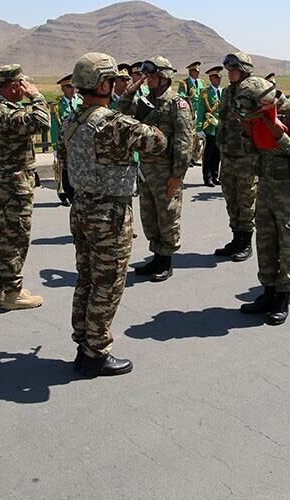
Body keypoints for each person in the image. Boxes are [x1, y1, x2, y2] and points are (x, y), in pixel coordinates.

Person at [62, 52, 167, 377]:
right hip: (110, 213)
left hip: (81, 209)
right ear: (104, 83)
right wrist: (141, 103)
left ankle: (83, 342)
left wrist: (126, 98)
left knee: (87, 279)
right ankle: (96, 352)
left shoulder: (72, 120)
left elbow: (107, 123)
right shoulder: (115, 124)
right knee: (108, 284)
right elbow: (158, 142)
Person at [235, 76, 290, 325]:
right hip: (266, 187)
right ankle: (267, 292)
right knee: (266, 242)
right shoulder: (256, 114)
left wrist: (278, 133)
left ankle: (282, 297)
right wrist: (248, 133)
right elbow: (254, 151)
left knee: (288, 244)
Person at [0, 64, 50, 310]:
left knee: (0, 235)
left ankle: (5, 287)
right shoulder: (10, 114)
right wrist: (37, 96)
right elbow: (42, 122)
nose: (24, 88)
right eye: (21, 84)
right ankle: (12, 294)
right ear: (13, 86)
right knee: (16, 237)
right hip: (14, 183)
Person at [118, 56, 193, 282]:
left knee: (167, 216)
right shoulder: (145, 101)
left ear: (164, 78)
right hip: (146, 169)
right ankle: (156, 256)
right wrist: (131, 90)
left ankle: (166, 261)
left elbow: (184, 141)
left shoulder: (177, 104)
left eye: (151, 76)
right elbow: (122, 112)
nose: (147, 79)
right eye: (146, 75)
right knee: (149, 216)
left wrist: (177, 176)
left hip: (166, 171)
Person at [214, 52, 258, 262]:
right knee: (231, 200)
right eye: (229, 70)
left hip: (246, 157)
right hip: (228, 155)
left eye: (233, 70)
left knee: (246, 201)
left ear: (244, 71)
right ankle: (236, 238)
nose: (230, 73)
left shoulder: (252, 92)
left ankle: (246, 242)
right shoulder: (227, 92)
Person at [51, 74, 82, 206]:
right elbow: (54, 128)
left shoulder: (81, 102)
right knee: (65, 170)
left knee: (79, 168)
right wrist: (55, 148)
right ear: (63, 89)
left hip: (80, 143)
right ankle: (66, 194)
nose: (72, 89)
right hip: (65, 144)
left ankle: (78, 193)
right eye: (69, 87)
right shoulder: (57, 107)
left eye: (73, 86)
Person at [199, 65, 224, 186]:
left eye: (220, 77)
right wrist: (199, 127)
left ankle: (215, 175)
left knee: (217, 153)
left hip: (220, 127)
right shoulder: (205, 92)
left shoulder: (222, 92)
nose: (219, 80)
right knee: (208, 153)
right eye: (216, 78)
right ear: (211, 79)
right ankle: (207, 177)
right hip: (209, 128)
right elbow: (201, 110)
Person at [178, 61, 204, 166]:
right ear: (190, 72)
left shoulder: (201, 82)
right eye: (195, 71)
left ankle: (194, 157)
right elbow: (181, 95)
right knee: (189, 135)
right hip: (190, 112)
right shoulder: (184, 83)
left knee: (197, 137)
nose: (197, 73)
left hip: (199, 112)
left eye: (198, 71)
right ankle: (187, 158)